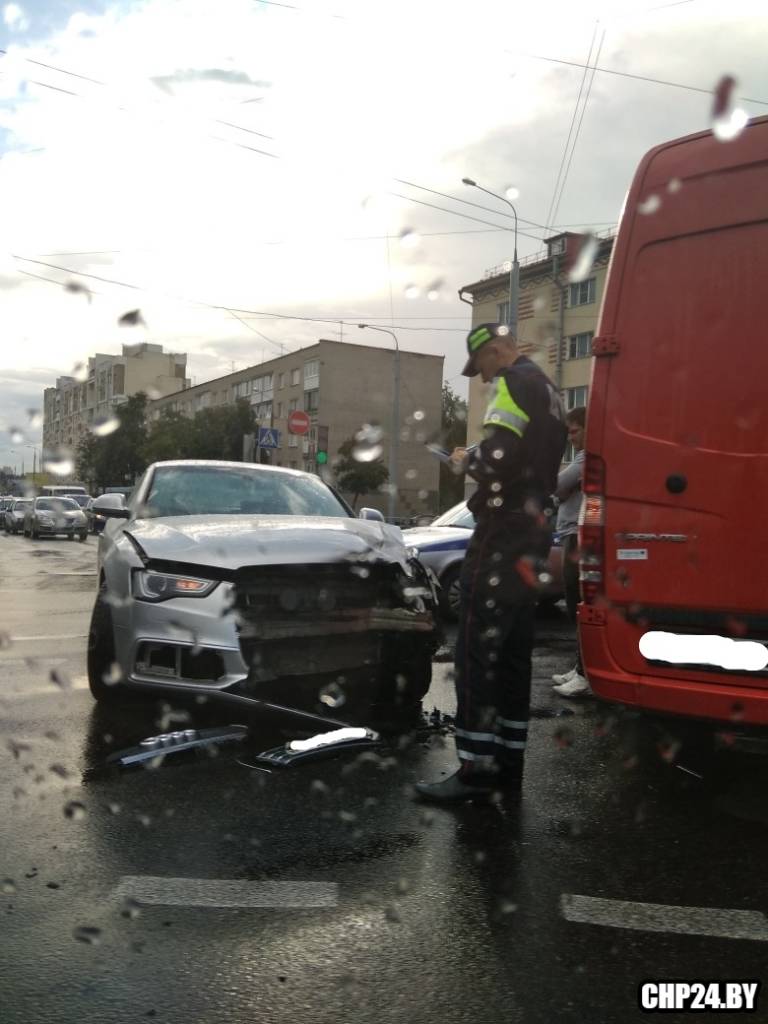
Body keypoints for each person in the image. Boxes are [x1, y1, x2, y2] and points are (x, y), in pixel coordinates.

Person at [415, 323, 567, 803]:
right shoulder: (549, 389)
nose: (481, 379)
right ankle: (507, 762)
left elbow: (499, 455)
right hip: (536, 529)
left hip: (503, 531)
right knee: (515, 649)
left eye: (479, 366)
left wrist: (467, 461)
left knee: (477, 649)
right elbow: (530, 456)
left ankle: (476, 769)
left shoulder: (512, 382)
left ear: (495, 351)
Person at [551, 407, 591, 697]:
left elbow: (557, 486)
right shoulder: (580, 458)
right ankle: (580, 666)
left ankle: (584, 672)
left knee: (577, 602)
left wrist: (559, 490)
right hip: (569, 533)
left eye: (575, 430)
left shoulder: (586, 457)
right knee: (573, 603)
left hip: (577, 536)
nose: (570, 436)